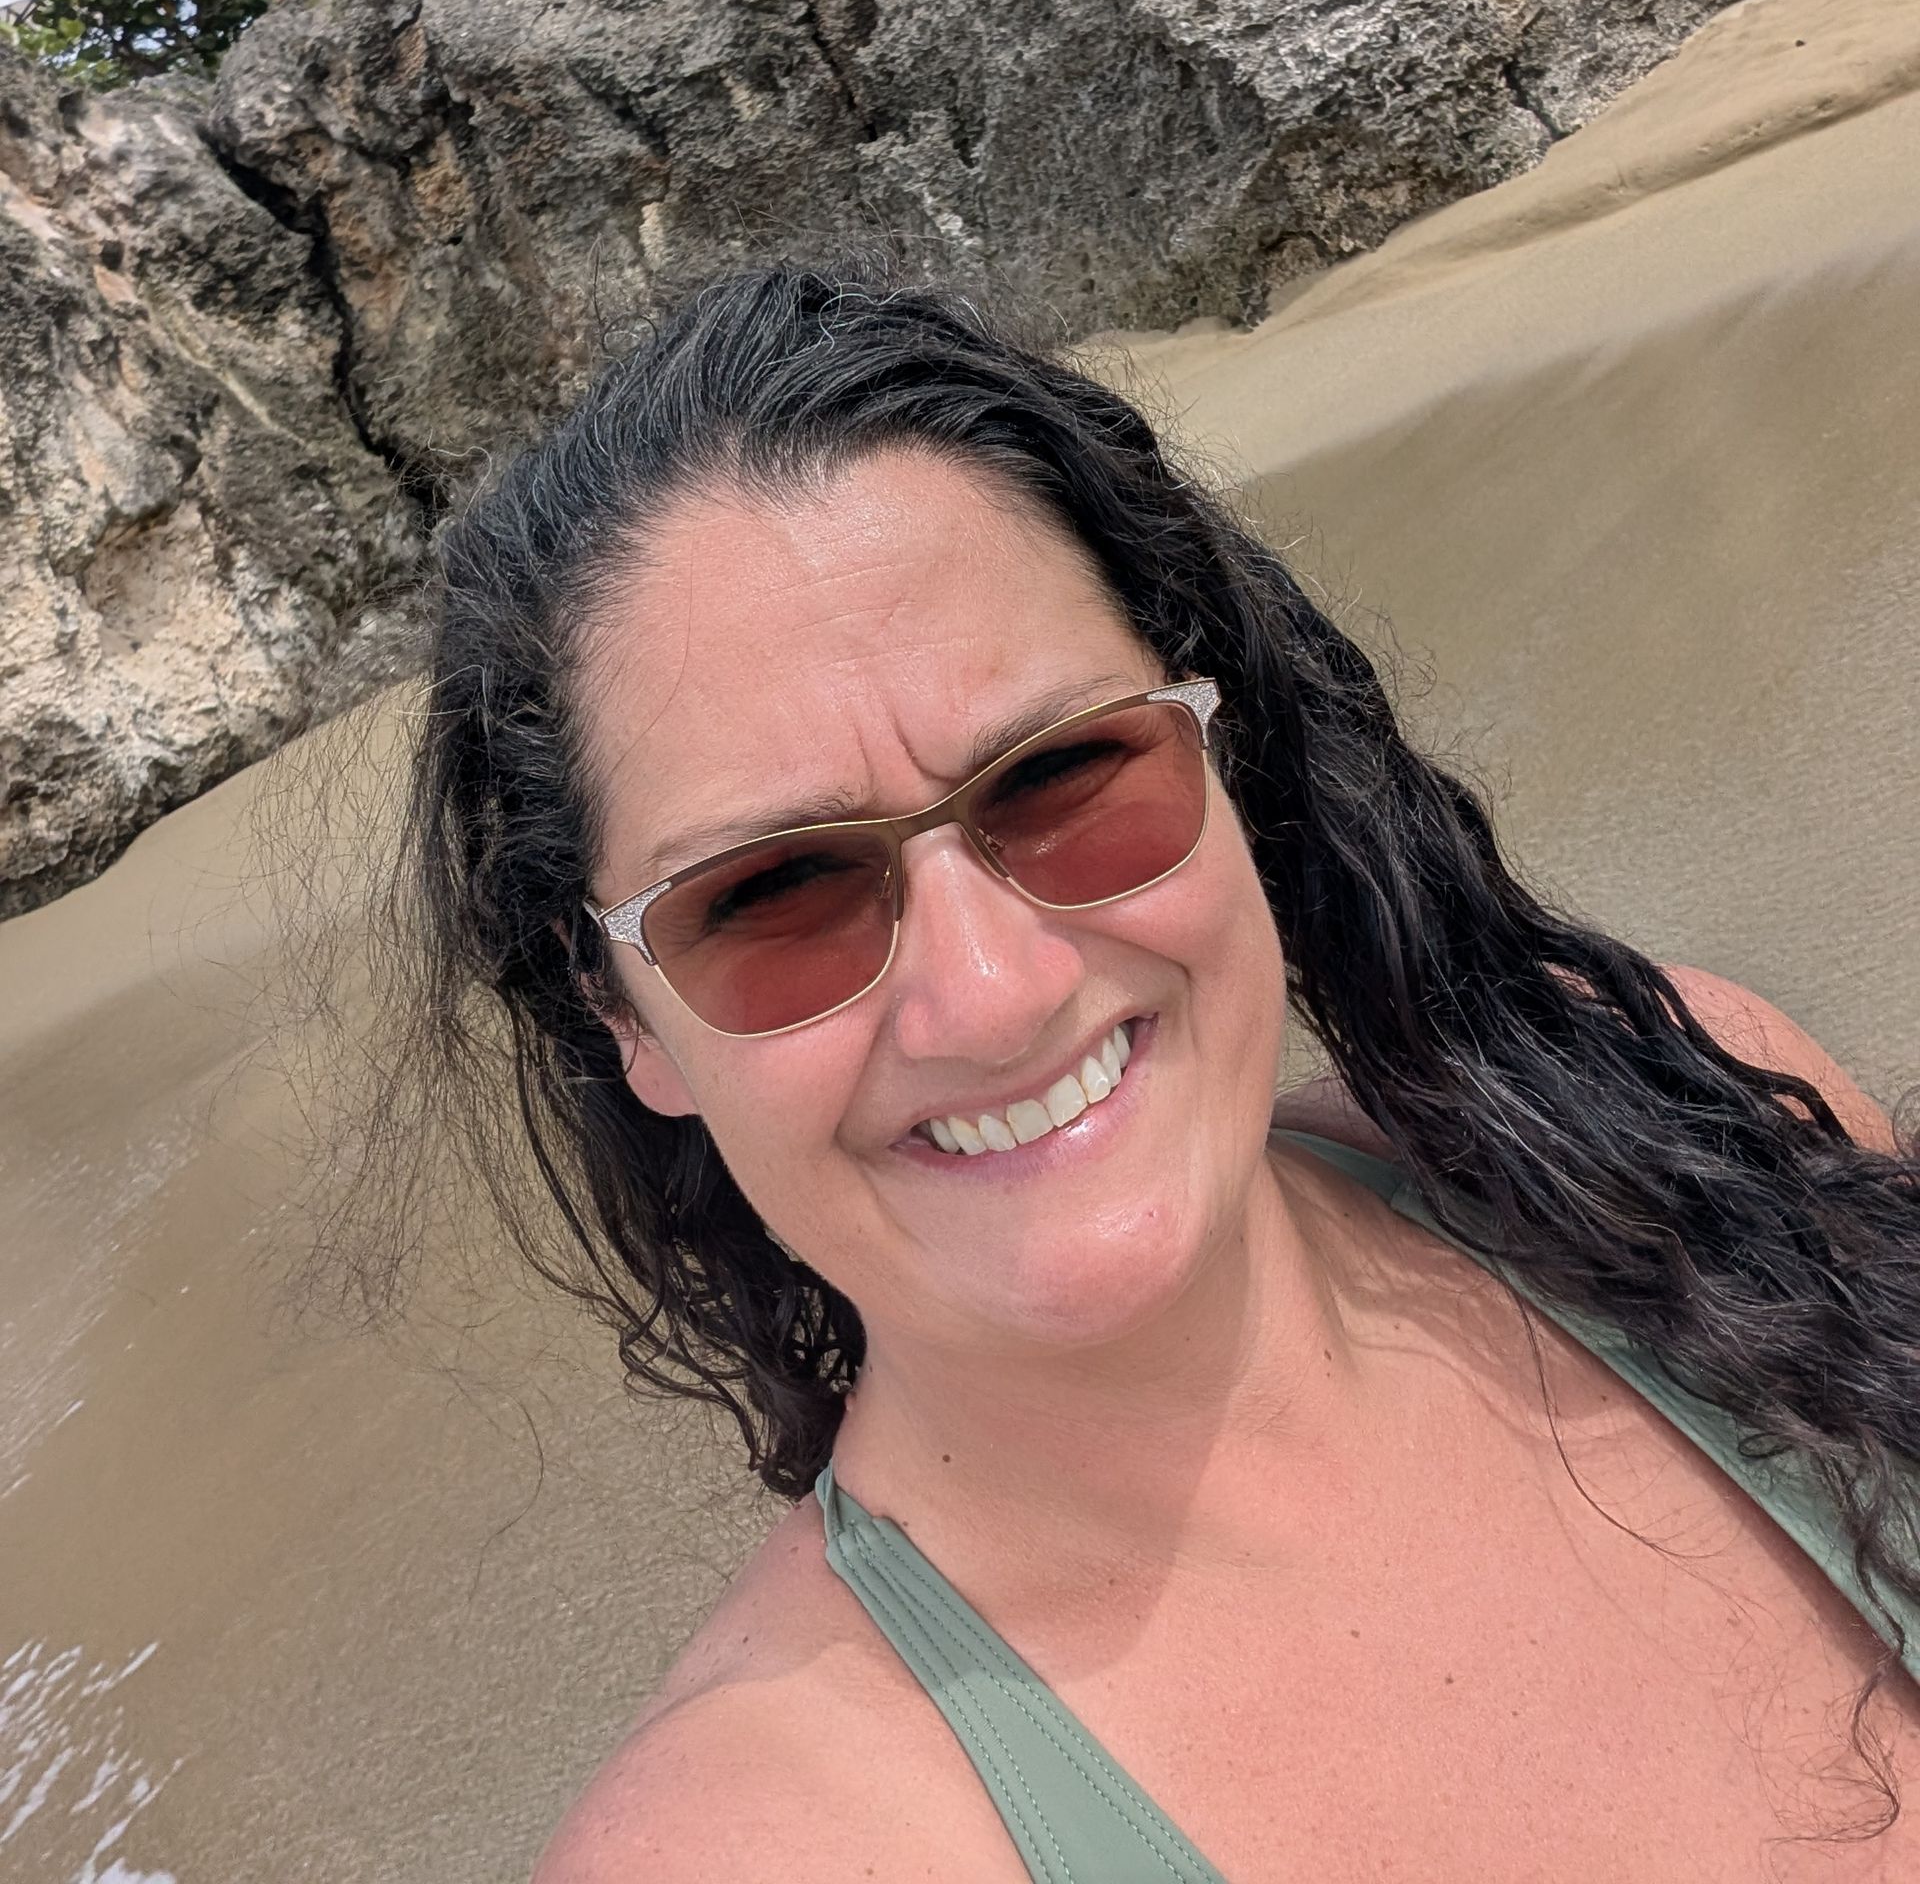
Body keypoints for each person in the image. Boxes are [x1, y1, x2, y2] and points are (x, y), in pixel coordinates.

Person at [392, 266, 1918, 1880]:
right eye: (776, 896)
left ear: (1223, 745)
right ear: (623, 1013)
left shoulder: (1687, 1139)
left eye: (1063, 775)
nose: (991, 994)